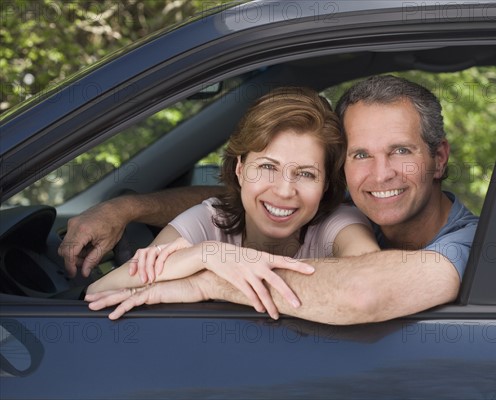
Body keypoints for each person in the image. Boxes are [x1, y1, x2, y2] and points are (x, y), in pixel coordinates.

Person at [72, 75, 478, 324]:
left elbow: (361, 290)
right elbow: (229, 202)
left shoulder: (470, 244)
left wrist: (208, 281)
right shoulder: (345, 209)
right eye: (360, 154)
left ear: (438, 158)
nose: (381, 173)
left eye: (401, 151)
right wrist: (128, 208)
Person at [84, 86, 380, 319]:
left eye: (305, 174)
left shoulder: (338, 224)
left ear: (326, 184)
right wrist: (205, 255)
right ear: (240, 169)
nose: (285, 190)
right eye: (267, 167)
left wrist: (207, 283)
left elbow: (373, 284)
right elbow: (100, 290)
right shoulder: (210, 220)